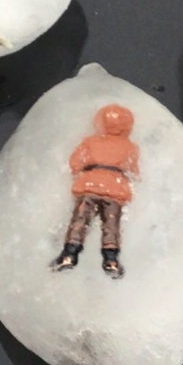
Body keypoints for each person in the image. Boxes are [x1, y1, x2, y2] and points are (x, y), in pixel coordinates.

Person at [52, 105, 139, 278]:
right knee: (111, 225)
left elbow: (75, 163)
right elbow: (134, 171)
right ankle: (111, 260)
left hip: (89, 186)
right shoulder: (130, 147)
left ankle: (69, 254)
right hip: (115, 189)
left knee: (80, 220)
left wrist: (81, 172)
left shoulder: (90, 142)